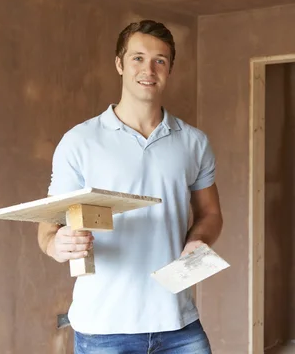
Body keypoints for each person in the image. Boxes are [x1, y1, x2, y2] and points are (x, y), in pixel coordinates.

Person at [37, 20, 223, 353]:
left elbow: (210, 214)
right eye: (137, 58)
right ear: (120, 64)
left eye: (160, 60)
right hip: (104, 328)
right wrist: (57, 245)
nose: (148, 69)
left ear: (170, 69)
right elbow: (47, 229)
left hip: (178, 322)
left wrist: (199, 240)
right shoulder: (79, 141)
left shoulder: (194, 143)